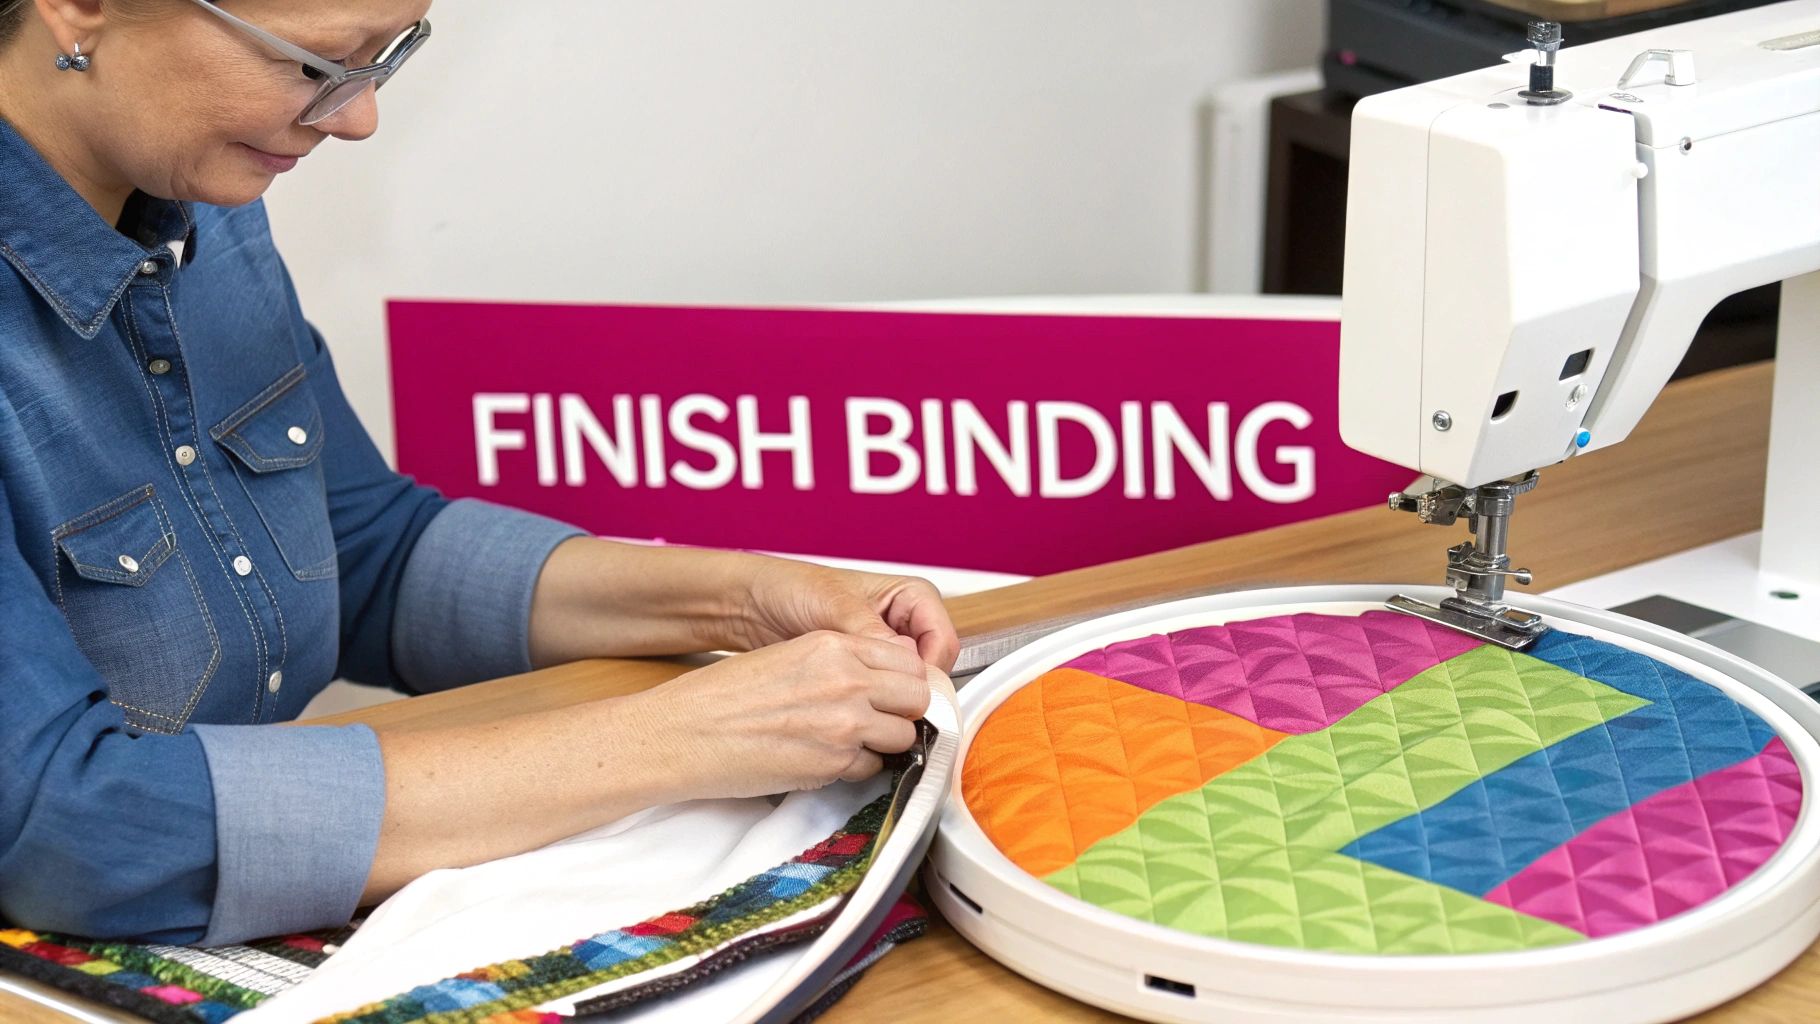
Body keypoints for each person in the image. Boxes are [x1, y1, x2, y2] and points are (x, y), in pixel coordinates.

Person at [0, 0, 958, 946]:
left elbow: (360, 548)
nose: (358, 116)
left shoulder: (198, 201)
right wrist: (676, 738)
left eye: (389, 57)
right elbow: (71, 828)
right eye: (316, 64)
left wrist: (747, 599)